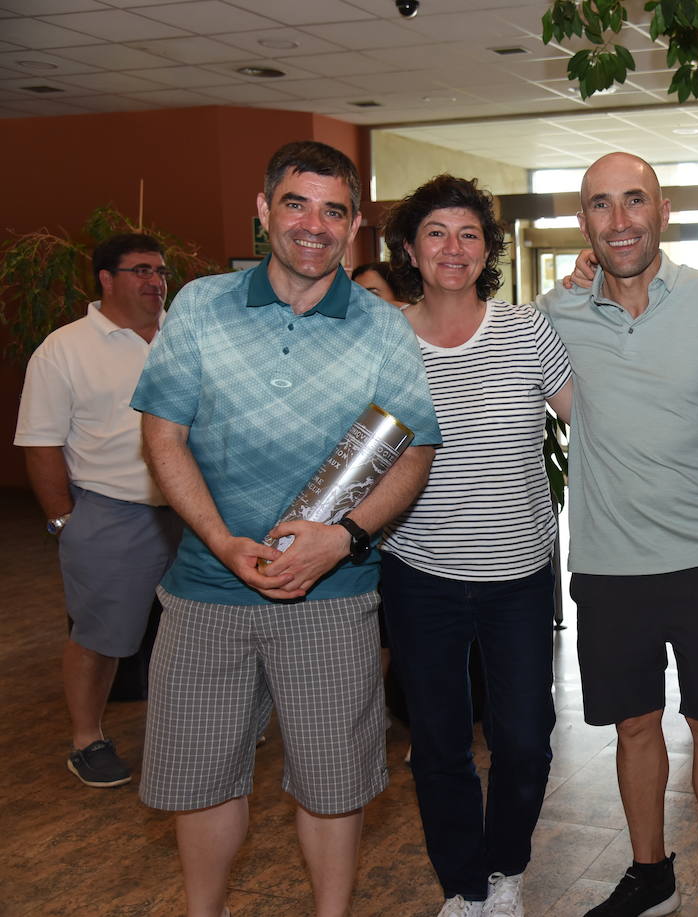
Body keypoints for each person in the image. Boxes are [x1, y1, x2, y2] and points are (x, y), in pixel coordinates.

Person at [131, 140, 441, 917]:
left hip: (332, 596)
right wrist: (219, 540)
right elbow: (163, 435)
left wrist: (345, 539)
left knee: (334, 786)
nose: (313, 225)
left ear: (355, 224)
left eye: (333, 210)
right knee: (199, 781)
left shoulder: (382, 327)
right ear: (264, 208)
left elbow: (416, 451)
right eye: (296, 204)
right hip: (205, 589)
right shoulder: (200, 305)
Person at [538, 152, 698, 917]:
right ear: (585, 222)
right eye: (602, 205)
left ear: (663, 210)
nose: (620, 220)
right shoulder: (556, 312)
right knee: (634, 726)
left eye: (634, 200)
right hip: (608, 567)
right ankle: (651, 875)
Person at [377, 174, 572, 917]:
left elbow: (592, 417)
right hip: (419, 572)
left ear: (487, 247)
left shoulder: (525, 329)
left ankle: (507, 870)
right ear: (410, 248)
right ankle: (463, 886)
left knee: (524, 738)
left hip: (519, 573)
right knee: (438, 744)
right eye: (436, 233)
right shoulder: (386, 334)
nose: (452, 248)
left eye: (468, 233)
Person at [14, 233, 184, 788]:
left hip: (193, 512)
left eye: (159, 270)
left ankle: (204, 725)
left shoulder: (185, 337)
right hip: (112, 513)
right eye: (139, 270)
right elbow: (40, 444)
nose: (155, 281)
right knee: (101, 635)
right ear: (105, 278)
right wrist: (66, 520)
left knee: (205, 627)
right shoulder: (63, 350)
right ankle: (87, 739)